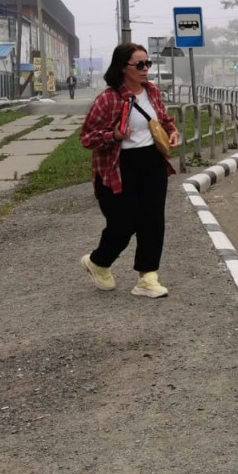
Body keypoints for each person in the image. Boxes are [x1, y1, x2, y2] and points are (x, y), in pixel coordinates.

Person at [78, 43, 181, 298]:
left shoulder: (152, 91)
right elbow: (86, 138)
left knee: (153, 220)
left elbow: (162, 119)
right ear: (124, 68)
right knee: (123, 224)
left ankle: (147, 277)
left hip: (153, 162)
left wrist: (172, 131)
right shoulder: (108, 98)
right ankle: (98, 262)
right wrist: (113, 134)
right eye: (140, 65)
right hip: (119, 166)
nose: (146, 69)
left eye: (148, 64)